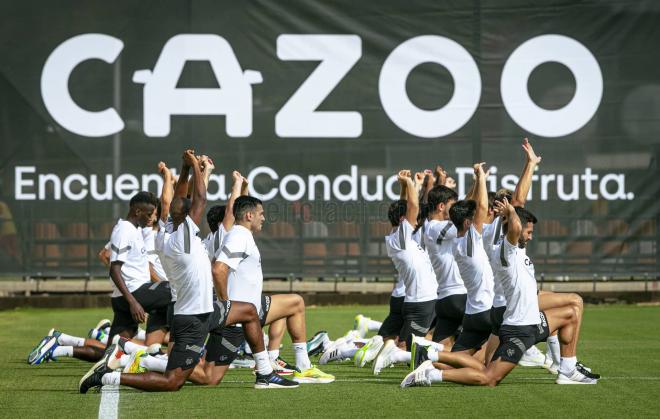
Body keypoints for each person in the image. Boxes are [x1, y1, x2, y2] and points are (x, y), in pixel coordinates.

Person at [79, 150, 297, 392]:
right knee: (172, 382)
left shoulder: (165, 233)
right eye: (190, 208)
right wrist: (195, 166)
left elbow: (175, 200)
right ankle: (108, 376)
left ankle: (265, 373)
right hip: (192, 318)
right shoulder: (183, 237)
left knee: (248, 311)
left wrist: (183, 171)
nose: (194, 206)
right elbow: (199, 198)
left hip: (204, 309)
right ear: (186, 216)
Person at [401, 198, 598, 387]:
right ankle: (430, 374)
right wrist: (510, 211)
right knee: (489, 377)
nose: (531, 236)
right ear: (515, 230)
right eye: (528, 232)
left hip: (532, 322)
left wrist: (512, 210)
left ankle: (568, 369)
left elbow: (516, 218)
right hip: (518, 330)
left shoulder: (516, 247)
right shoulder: (506, 251)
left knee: (572, 311)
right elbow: (514, 227)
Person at [212, 194, 335, 384]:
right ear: (249, 216)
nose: (264, 218)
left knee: (295, 303)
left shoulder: (242, 235)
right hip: (238, 318)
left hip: (253, 309)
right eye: (261, 214)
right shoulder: (238, 237)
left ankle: (300, 366)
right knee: (209, 377)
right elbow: (218, 269)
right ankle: (157, 364)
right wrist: (226, 306)